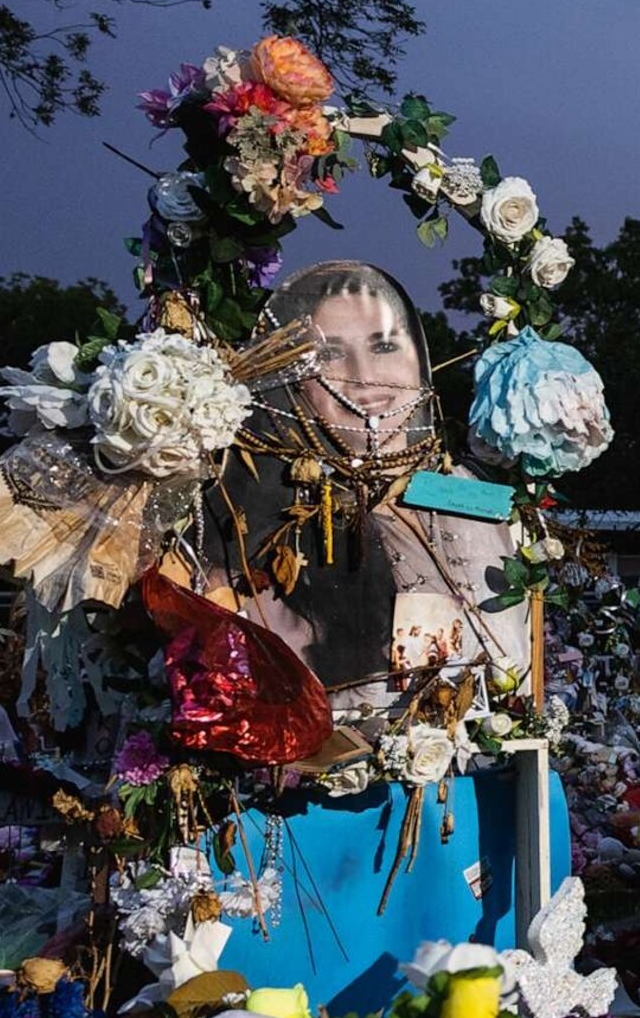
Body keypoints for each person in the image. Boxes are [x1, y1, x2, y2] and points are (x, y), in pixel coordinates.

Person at [208, 260, 526, 724]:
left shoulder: (468, 496)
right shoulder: (260, 518)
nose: (364, 377)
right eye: (331, 354)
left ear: (417, 356)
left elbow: (514, 663)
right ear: (291, 382)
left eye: (383, 345)